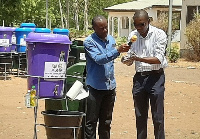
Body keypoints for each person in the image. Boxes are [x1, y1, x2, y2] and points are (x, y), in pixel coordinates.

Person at [121, 10, 167, 139]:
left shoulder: (159, 34)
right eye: (136, 25)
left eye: (142, 24)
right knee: (140, 116)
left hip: (156, 78)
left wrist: (138, 58)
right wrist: (125, 59)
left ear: (148, 22)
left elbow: (158, 59)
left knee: (157, 117)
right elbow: (130, 59)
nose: (139, 28)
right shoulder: (133, 36)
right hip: (139, 79)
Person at [84, 15, 130, 139]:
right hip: (95, 88)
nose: (104, 30)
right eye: (101, 28)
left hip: (109, 87)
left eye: (106, 27)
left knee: (106, 122)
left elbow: (111, 59)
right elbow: (99, 59)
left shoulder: (110, 39)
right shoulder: (89, 42)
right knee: (91, 122)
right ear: (94, 28)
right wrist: (117, 51)